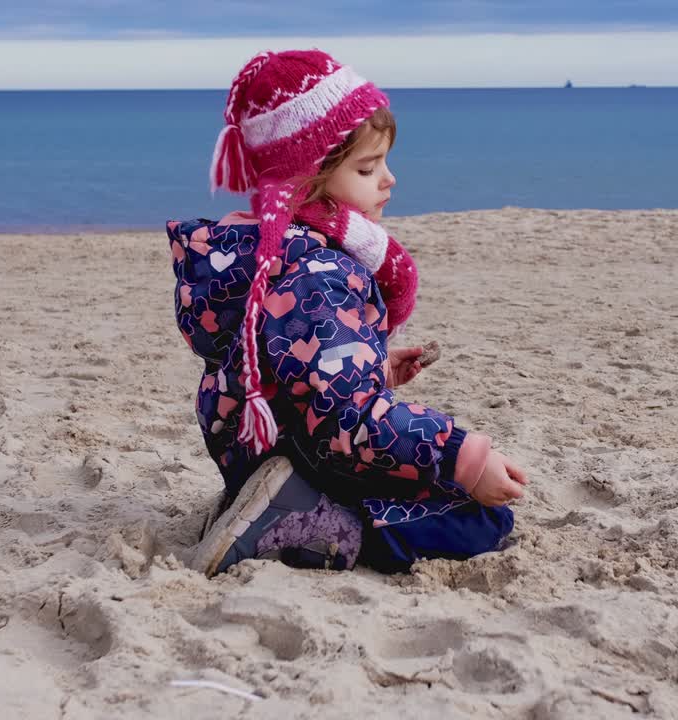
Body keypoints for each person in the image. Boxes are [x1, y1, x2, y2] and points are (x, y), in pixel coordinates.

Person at [166, 49, 527, 576]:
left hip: (249, 446)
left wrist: (371, 366)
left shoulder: (259, 252)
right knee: (479, 520)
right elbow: (346, 418)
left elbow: (287, 366)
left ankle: (265, 500)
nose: (389, 179)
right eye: (367, 167)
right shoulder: (320, 271)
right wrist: (461, 456)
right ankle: (299, 522)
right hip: (308, 454)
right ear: (306, 177)